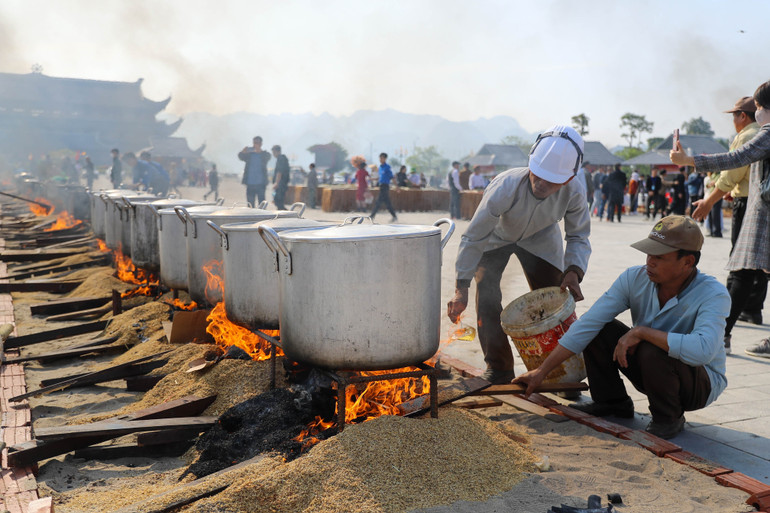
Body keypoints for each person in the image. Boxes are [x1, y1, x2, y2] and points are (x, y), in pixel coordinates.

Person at [514, 215, 729, 439]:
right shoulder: (634, 278)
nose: (650, 261)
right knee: (599, 329)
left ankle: (669, 418)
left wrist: (641, 332)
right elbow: (588, 324)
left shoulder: (713, 294)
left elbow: (703, 350)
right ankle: (611, 402)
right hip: (650, 369)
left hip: (697, 383)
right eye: (648, 253)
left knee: (652, 347)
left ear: (688, 262)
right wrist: (542, 372)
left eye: (659, 257)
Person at [446, 125, 590, 384]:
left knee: (553, 302)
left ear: (567, 179)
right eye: (538, 176)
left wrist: (573, 272)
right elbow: (474, 236)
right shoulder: (506, 185)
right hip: (496, 238)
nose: (542, 185)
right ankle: (499, 368)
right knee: (487, 296)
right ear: (531, 165)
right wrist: (461, 285)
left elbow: (578, 236)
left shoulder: (575, 192)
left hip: (542, 237)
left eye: (552, 181)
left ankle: (561, 374)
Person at [671, 79, 770, 358]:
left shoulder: (766, 132)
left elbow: (736, 159)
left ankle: (719, 335)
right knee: (752, 272)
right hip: (757, 207)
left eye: (761, 106)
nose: (759, 111)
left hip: (761, 212)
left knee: (741, 271)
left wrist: (689, 161)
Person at [691, 96, 763, 324]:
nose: (733, 121)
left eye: (734, 115)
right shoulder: (761, 134)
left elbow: (732, 171)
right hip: (758, 202)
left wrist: (709, 201)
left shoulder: (748, 136)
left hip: (747, 202)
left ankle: (723, 325)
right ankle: (752, 309)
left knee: (740, 264)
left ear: (743, 116)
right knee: (758, 264)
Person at [238, 136, 271, 207]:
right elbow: (240, 157)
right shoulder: (249, 154)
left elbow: (269, 157)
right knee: (250, 205)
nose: (255, 145)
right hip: (250, 184)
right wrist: (243, 152)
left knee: (262, 205)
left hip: (261, 184)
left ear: (261, 144)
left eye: (257, 143)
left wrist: (259, 151)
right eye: (254, 143)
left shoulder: (264, 154)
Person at [370, 152, 398, 222]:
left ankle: (372, 216)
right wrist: (373, 179)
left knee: (378, 202)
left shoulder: (387, 167)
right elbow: (380, 178)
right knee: (387, 203)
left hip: (385, 187)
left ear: (385, 159)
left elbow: (392, 177)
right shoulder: (380, 168)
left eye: (382, 158)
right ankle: (394, 216)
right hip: (381, 186)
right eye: (380, 158)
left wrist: (397, 186)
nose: (380, 159)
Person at [272, 145, 290, 210]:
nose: (273, 154)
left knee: (278, 201)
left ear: (277, 151)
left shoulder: (281, 158)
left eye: (274, 152)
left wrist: (276, 183)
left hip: (281, 183)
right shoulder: (282, 158)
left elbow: (279, 172)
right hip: (282, 183)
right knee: (278, 201)